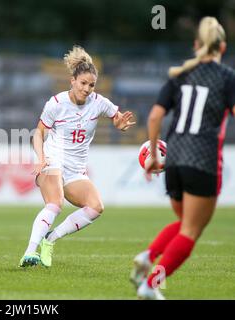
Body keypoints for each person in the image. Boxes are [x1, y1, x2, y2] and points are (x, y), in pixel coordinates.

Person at [130, 17, 235, 300]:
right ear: (222, 47)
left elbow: (154, 116)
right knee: (191, 231)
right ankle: (150, 286)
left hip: (173, 158)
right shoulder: (227, 78)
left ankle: (148, 254)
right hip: (203, 160)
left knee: (185, 222)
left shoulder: (180, 75)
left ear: (196, 44)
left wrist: (153, 155)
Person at [19, 45, 136, 268]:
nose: (87, 89)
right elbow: (39, 132)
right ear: (72, 80)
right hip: (52, 160)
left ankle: (50, 239)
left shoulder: (99, 102)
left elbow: (117, 117)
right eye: (83, 83)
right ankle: (29, 252)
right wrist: (40, 157)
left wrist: (119, 124)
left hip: (76, 169)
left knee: (96, 207)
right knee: (55, 203)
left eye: (91, 85)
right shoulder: (56, 104)